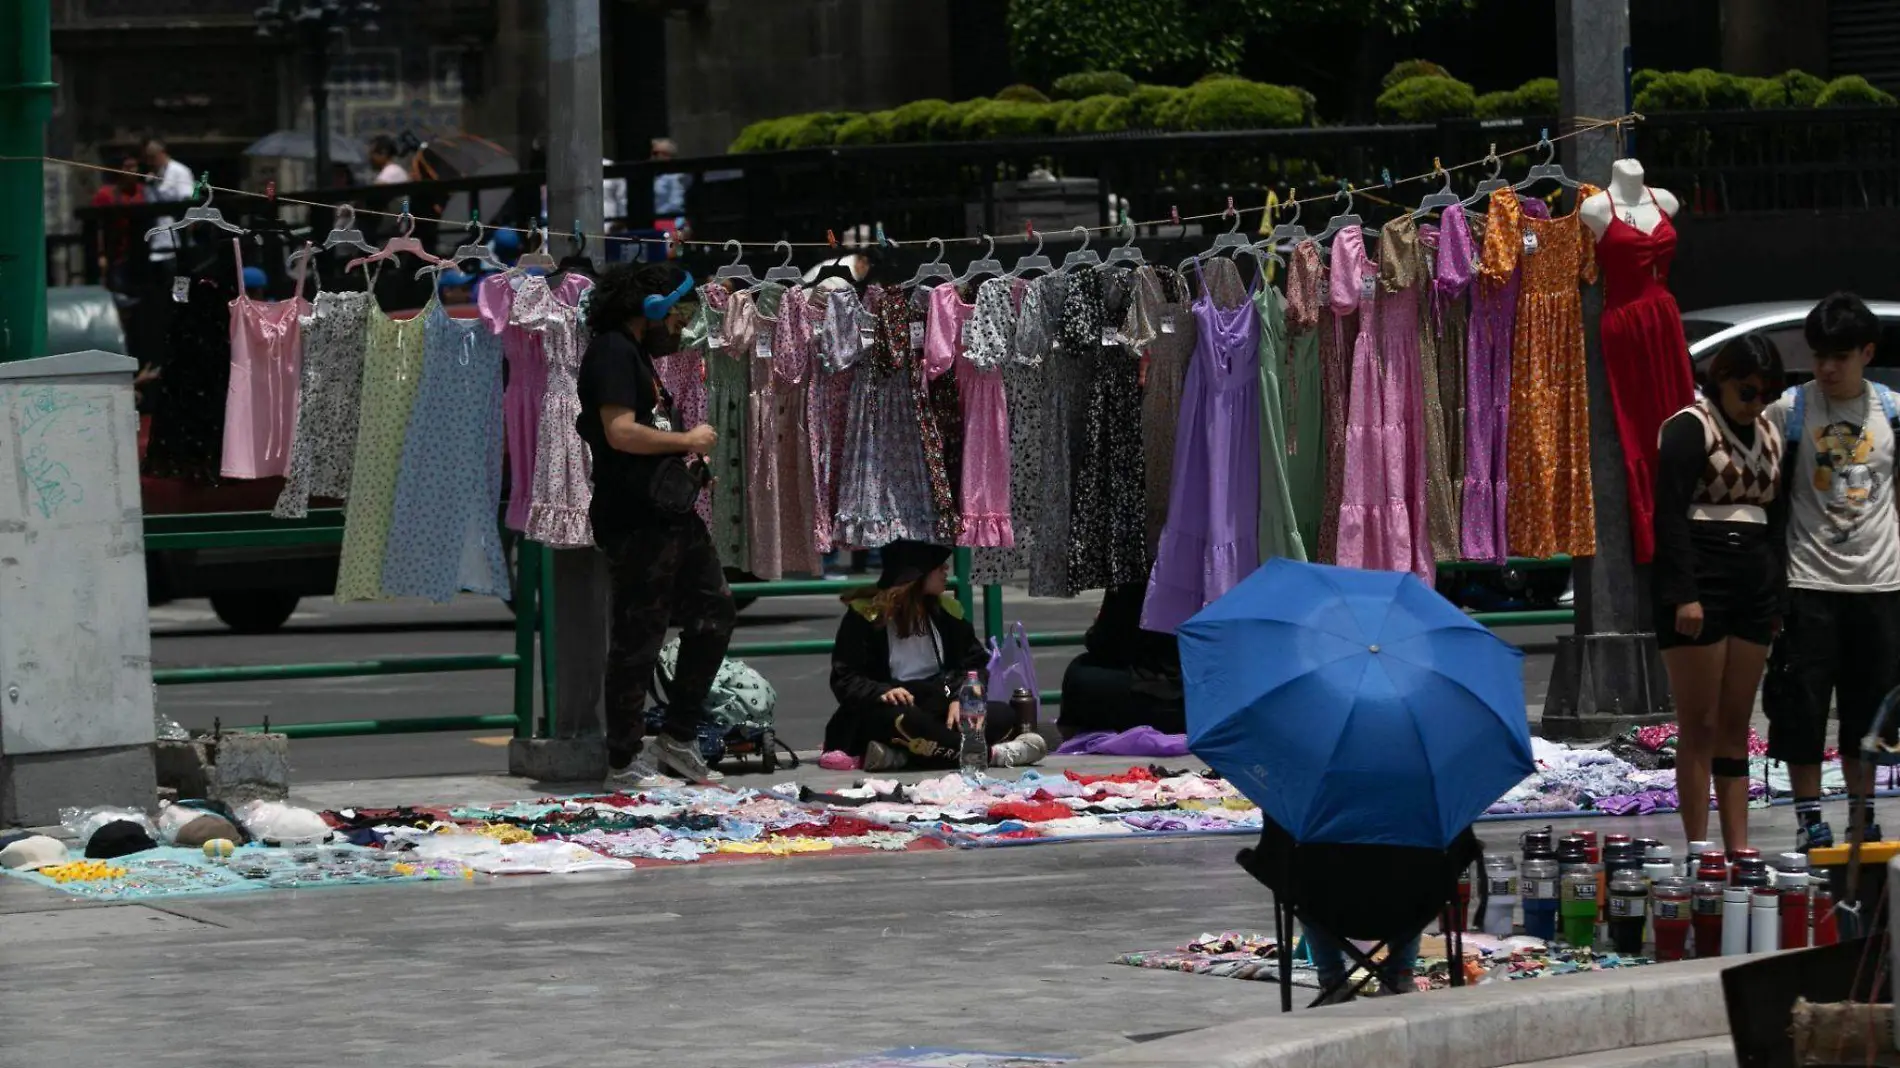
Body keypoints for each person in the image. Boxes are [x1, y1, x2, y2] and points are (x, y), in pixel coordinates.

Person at [574, 262, 736, 786]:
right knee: (638, 636)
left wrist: (684, 465)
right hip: (636, 519)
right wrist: (689, 441)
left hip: (669, 515)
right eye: (676, 312)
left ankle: (679, 736)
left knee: (714, 613)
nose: (680, 326)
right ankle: (623, 759)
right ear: (651, 309)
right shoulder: (612, 352)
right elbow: (620, 432)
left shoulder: (634, 353)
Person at [1766, 292, 1900, 850]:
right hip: (1807, 586)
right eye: (1819, 354)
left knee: (1869, 716)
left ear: (1867, 352)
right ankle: (1808, 818)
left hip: (1880, 585)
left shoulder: (1892, 411)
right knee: (1802, 712)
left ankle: (1862, 815)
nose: (1826, 367)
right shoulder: (1789, 410)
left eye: (1840, 356)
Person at [1651, 335, 1787, 852]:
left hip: (1752, 579)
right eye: (1749, 391)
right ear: (1724, 378)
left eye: (1768, 393)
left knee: (1736, 721)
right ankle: (1699, 847)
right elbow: (1668, 516)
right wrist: (1683, 593)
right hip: (1702, 576)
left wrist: (1776, 596)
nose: (1757, 403)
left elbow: (1778, 521)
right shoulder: (1691, 427)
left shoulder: (1771, 433)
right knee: (1700, 721)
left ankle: (1739, 845)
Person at [823, 540, 1048, 771]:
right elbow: (845, 678)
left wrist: (961, 696)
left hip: (937, 702)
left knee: (1002, 716)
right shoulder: (865, 616)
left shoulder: (946, 612)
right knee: (904, 722)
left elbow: (975, 664)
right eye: (938, 565)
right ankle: (991, 755)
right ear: (915, 573)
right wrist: (883, 692)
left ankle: (900, 758)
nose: (946, 570)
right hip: (887, 711)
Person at [1238, 820, 1485, 1003]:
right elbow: (1462, 850)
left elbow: (1271, 857)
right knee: (1421, 877)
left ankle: (1333, 980)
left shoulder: (1300, 787)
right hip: (1407, 908)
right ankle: (1400, 975)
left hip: (1326, 908)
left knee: (1301, 885)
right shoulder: (1429, 789)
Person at [1057, 582, 1184, 740]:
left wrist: (1098, 623)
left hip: (1165, 693)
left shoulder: (1134, 572)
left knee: (1079, 676)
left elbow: (1106, 643)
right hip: (1203, 693)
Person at [91, 154, 146, 290]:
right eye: (128, 167)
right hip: (116, 255)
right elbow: (97, 225)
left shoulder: (144, 191)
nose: (132, 171)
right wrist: (101, 254)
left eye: (134, 166)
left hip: (140, 253)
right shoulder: (106, 194)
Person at [141, 137, 195, 264]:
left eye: (152, 157)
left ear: (162, 153)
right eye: (147, 158)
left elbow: (188, 201)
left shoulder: (179, 171)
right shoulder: (150, 178)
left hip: (177, 239)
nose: (149, 162)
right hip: (156, 240)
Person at [650, 137, 690, 223]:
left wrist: (655, 215)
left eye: (655, 153)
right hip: (654, 221)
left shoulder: (676, 176)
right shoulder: (655, 175)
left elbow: (676, 203)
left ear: (667, 155)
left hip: (671, 222)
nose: (652, 157)